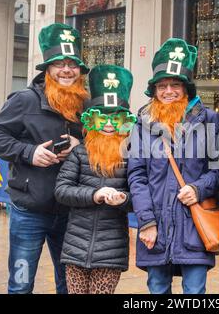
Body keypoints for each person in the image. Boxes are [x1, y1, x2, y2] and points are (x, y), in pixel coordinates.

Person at [0, 23, 90, 294]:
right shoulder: (24, 100)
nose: (66, 70)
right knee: (21, 284)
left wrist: (80, 145)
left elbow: (103, 145)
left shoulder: (86, 106)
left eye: (72, 64)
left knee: (68, 284)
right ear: (48, 69)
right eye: (59, 64)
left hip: (71, 212)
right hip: (28, 211)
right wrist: (30, 153)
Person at [127, 38, 219, 294]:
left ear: (186, 89)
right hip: (155, 226)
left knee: (194, 290)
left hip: (194, 225)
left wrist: (199, 189)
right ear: (155, 90)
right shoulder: (141, 125)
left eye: (175, 85)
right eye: (162, 85)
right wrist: (146, 222)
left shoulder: (210, 120)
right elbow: (136, 176)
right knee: (157, 288)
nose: (169, 91)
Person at [54, 65, 135, 294]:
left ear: (124, 121)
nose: (109, 125)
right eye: (103, 117)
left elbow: (138, 197)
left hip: (111, 250)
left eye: (116, 118)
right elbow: (61, 190)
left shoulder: (132, 156)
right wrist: (94, 195)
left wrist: (122, 199)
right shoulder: (80, 153)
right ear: (93, 119)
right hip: (75, 247)